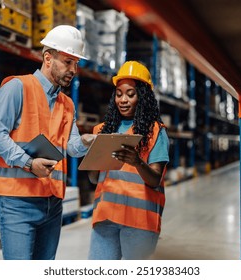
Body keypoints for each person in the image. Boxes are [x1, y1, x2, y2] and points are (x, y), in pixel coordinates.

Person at [0, 25, 95, 260]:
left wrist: (85, 141)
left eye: (76, 64)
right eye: (67, 61)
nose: (73, 70)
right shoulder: (17, 87)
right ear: (47, 58)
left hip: (52, 205)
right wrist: (27, 163)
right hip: (18, 203)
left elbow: (72, 147)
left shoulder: (67, 104)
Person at [87, 61, 169, 260]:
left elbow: (155, 179)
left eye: (130, 94)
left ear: (142, 97)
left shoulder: (154, 132)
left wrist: (137, 161)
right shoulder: (101, 131)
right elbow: (93, 179)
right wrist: (92, 156)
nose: (123, 100)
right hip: (105, 218)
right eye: (119, 94)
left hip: (140, 223)